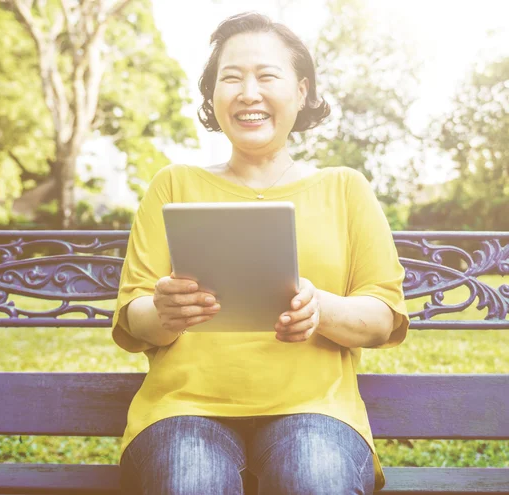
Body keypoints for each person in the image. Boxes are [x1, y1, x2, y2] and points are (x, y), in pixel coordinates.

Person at [112, 11, 409, 495]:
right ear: (213, 97)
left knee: (314, 476)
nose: (248, 92)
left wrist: (320, 308)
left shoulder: (346, 189)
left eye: (267, 75)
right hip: (185, 409)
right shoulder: (173, 185)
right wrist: (166, 310)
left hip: (316, 411)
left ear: (302, 91)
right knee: (190, 480)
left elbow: (382, 318)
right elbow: (134, 317)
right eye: (231, 78)